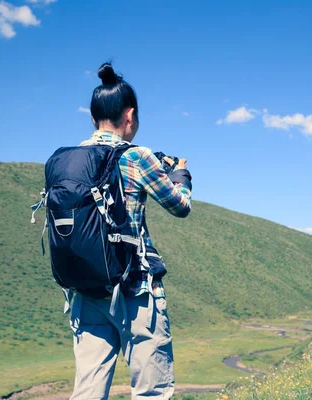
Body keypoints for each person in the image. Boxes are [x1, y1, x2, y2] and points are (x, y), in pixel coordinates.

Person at [68, 62, 192, 400]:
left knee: (88, 389)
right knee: (151, 389)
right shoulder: (139, 157)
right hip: (135, 287)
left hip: (85, 289)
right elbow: (180, 206)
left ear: (93, 118)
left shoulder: (71, 160)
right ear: (130, 115)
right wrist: (181, 174)